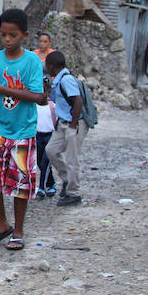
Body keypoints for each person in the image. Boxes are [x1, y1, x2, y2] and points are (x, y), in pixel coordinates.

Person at [0, 8, 45, 251]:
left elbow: (38, 96)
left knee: (21, 183)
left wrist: (3, 90)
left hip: (23, 131)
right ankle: (2, 224)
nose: (7, 40)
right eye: (3, 35)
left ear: (24, 35)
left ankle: (18, 229)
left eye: (12, 35)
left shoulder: (32, 61)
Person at [44, 50, 87, 207]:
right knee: (51, 150)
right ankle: (67, 180)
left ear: (52, 66)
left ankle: (73, 193)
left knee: (71, 159)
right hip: (63, 123)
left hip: (72, 123)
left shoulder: (66, 79)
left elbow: (78, 101)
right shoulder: (59, 79)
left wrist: (73, 126)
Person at [35, 76, 57, 198]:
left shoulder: (53, 107)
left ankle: (42, 188)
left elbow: (57, 122)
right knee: (39, 161)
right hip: (37, 137)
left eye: (44, 90)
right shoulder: (33, 107)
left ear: (49, 92)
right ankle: (52, 183)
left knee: (45, 162)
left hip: (50, 136)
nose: (42, 93)